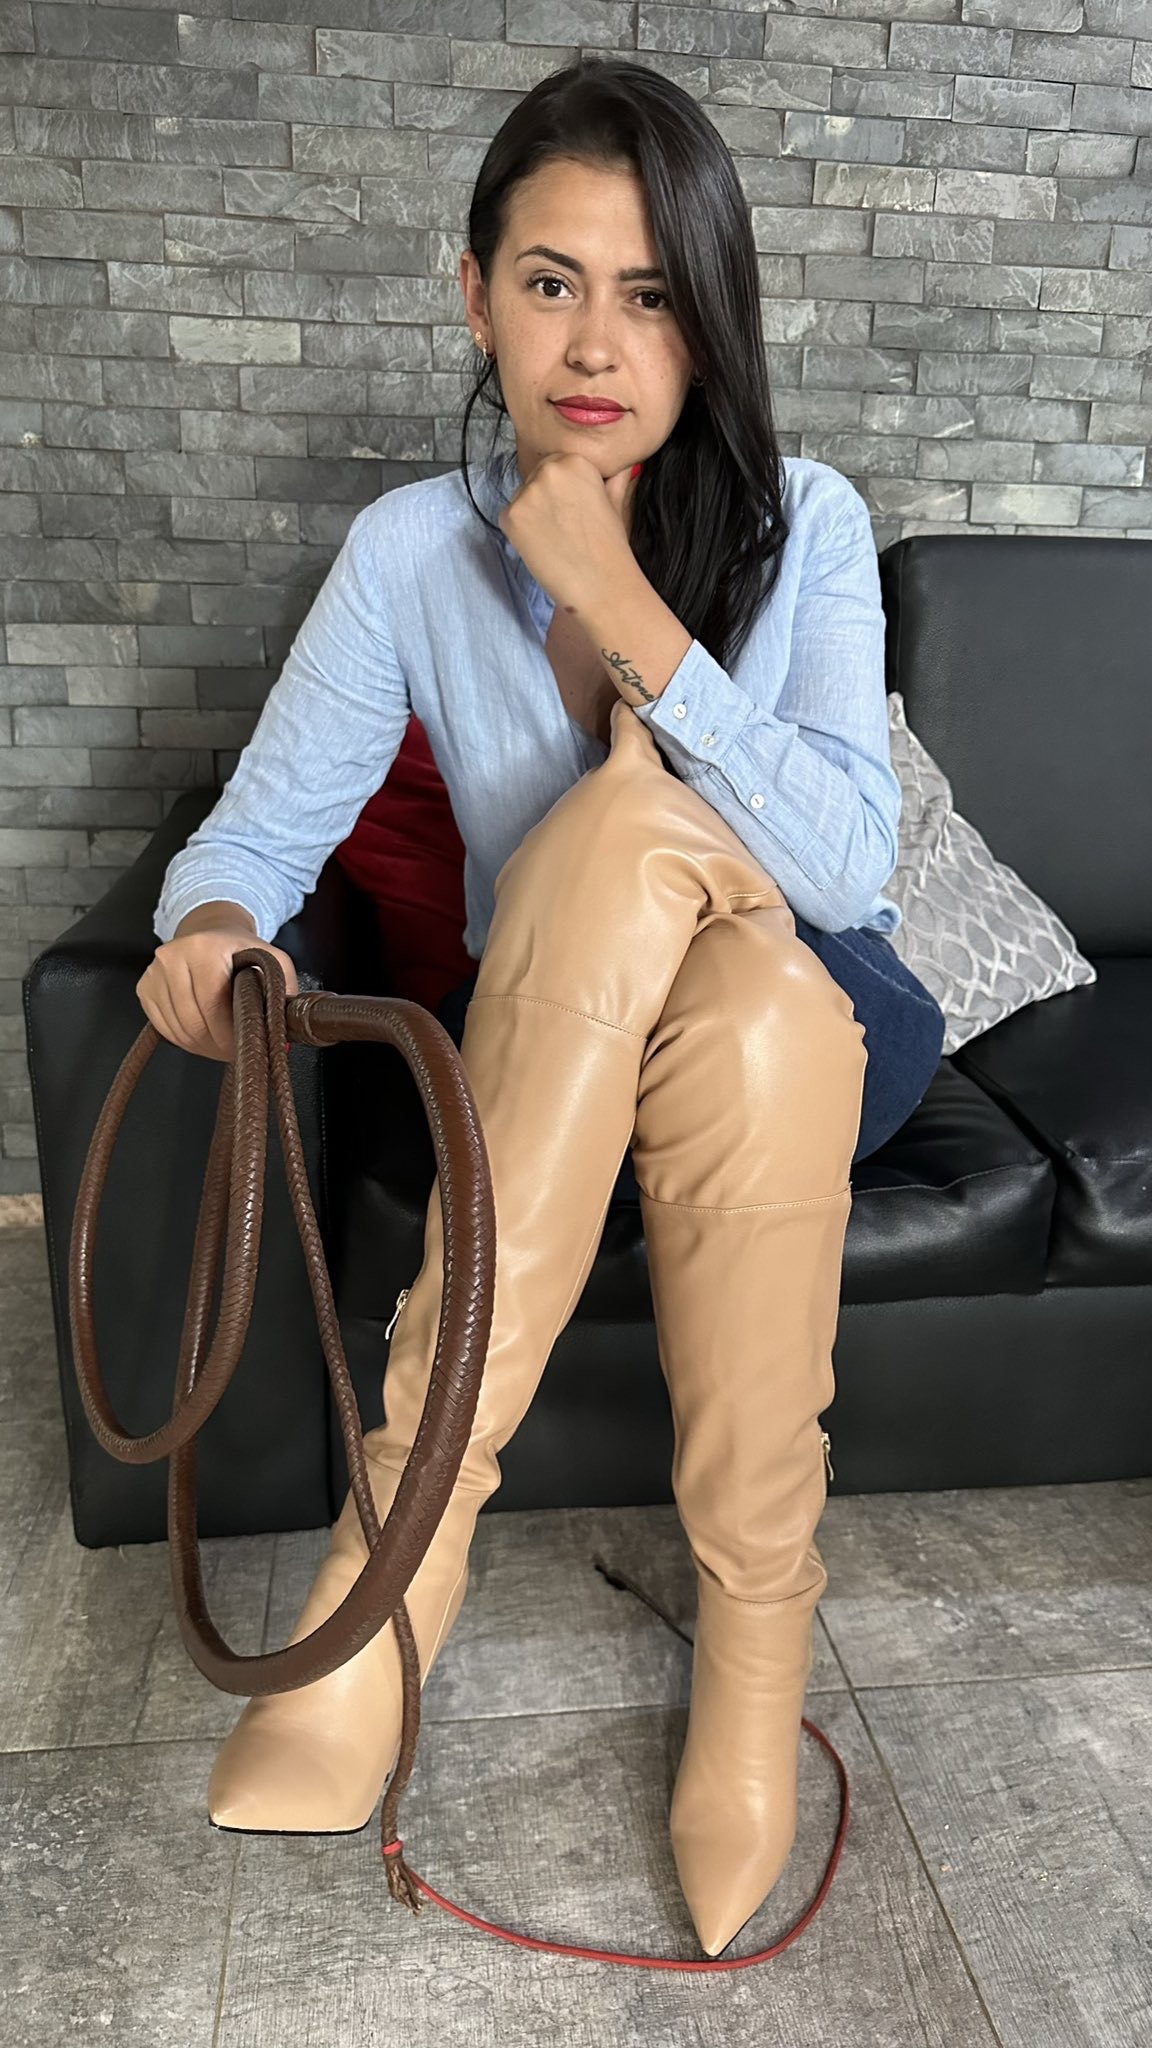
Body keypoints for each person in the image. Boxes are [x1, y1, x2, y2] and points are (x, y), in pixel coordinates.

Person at [138, 57, 946, 1958]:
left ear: (712, 318)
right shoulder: (410, 552)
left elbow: (846, 869)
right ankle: (755, 1644)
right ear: (475, 295)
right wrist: (217, 925)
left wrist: (623, 610)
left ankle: (393, 1565)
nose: (597, 343)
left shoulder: (808, 520)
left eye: (652, 293)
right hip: (586, 1033)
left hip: (840, 998)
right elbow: (259, 831)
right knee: (715, 999)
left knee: (654, 848)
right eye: (552, 281)